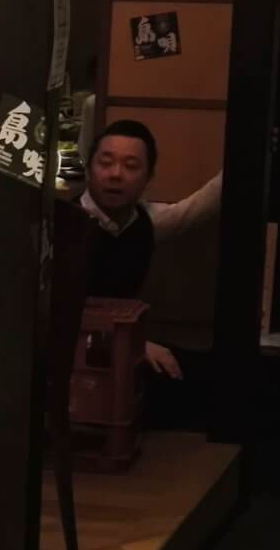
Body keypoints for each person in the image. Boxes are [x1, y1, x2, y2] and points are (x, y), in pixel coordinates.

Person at [77, 119, 223, 383]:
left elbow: (197, 208)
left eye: (131, 166)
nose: (116, 174)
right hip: (76, 357)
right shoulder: (66, 224)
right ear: (88, 170)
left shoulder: (144, 222)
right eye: (105, 163)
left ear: (148, 177)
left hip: (125, 347)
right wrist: (133, 347)